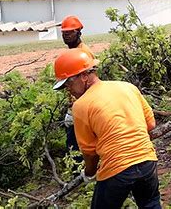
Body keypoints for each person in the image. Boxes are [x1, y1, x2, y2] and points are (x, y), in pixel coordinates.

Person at [53, 48, 161, 209]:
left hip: (116, 168)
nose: (68, 89)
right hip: (147, 161)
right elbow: (151, 124)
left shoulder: (81, 106)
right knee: (150, 204)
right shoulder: (127, 87)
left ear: (84, 76)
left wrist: (89, 173)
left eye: (68, 82)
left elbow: (89, 152)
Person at [59, 15, 94, 163]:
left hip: (82, 104)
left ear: (79, 32)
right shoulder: (73, 52)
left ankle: (81, 173)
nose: (66, 36)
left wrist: (79, 107)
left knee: (76, 143)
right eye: (64, 33)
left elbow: (88, 81)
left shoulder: (83, 53)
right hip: (76, 103)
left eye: (70, 32)